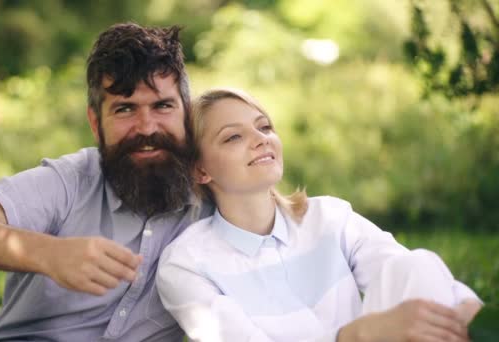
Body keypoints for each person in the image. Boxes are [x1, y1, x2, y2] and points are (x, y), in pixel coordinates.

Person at [0, 23, 212, 341]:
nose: (146, 127)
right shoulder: (71, 181)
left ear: (186, 112)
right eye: (125, 109)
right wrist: (49, 254)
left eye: (162, 106)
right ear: (96, 123)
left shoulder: (218, 191)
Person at [156, 88, 483, 342]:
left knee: (416, 264)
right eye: (233, 136)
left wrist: (466, 311)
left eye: (264, 126)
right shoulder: (186, 264)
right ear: (200, 170)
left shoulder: (330, 217)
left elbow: (405, 275)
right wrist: (355, 335)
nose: (260, 140)